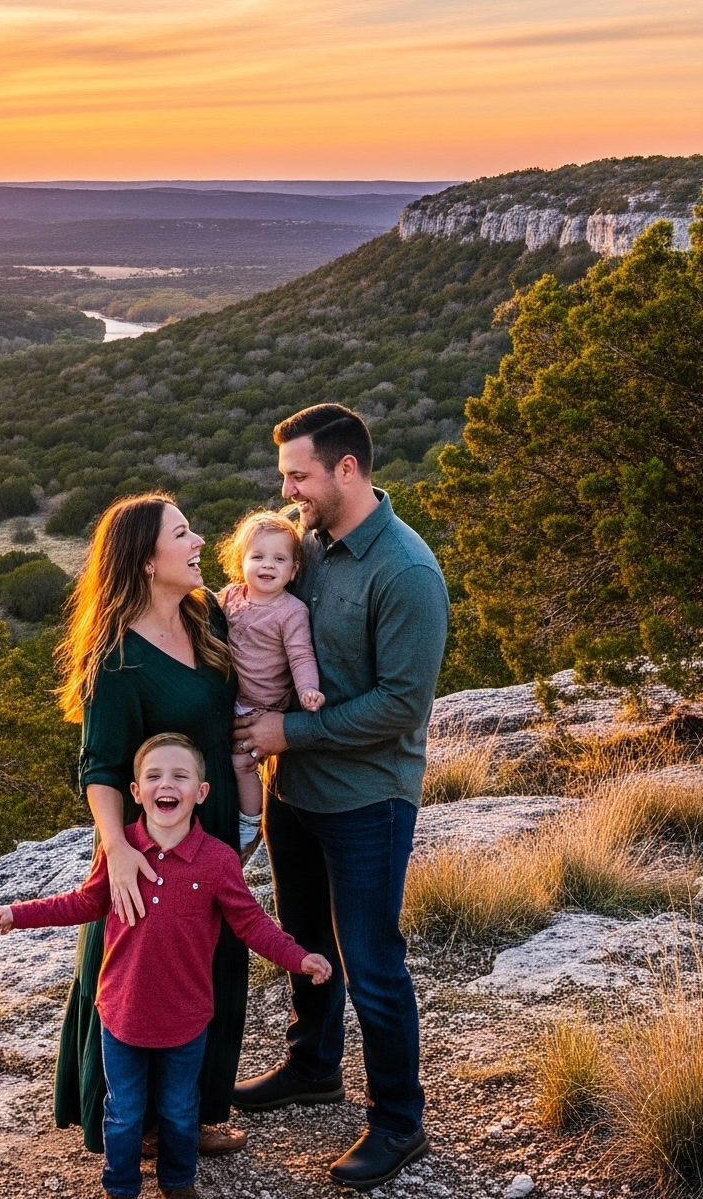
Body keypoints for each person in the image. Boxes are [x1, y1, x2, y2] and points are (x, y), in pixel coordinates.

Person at [232, 402, 449, 1190]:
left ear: (346, 470)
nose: (287, 488)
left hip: (367, 799)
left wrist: (287, 731)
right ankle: (313, 1066)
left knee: (372, 960)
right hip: (296, 794)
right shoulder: (308, 545)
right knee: (306, 938)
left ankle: (399, 1121)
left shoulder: (407, 571)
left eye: (299, 474)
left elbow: (402, 704)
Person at [0, 733, 333, 1199]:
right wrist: (19, 914)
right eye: (152, 776)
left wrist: (299, 956)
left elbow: (251, 923)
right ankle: (121, 1186)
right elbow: (82, 903)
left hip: (187, 1018)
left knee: (178, 1109)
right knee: (125, 1111)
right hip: (121, 1015)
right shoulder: (121, 853)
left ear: (201, 792)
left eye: (179, 776)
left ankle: (177, 1183)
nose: (164, 785)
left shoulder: (216, 860)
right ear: (135, 792)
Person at [51, 493, 254, 1160]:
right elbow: (102, 766)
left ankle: (192, 1114)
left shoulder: (208, 616)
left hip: (214, 824)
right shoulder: (117, 659)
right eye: (182, 533)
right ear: (144, 559)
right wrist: (118, 853)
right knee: (143, 978)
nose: (199, 541)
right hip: (149, 842)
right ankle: (132, 1122)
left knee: (211, 966)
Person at [216, 508, 322, 853]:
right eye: (257, 556)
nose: (267, 565)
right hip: (227, 696)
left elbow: (301, 655)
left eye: (279, 559)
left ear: (294, 570)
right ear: (240, 560)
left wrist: (307, 689)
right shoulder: (231, 597)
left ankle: (249, 823)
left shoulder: (291, 611)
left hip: (261, 706)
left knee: (241, 762)